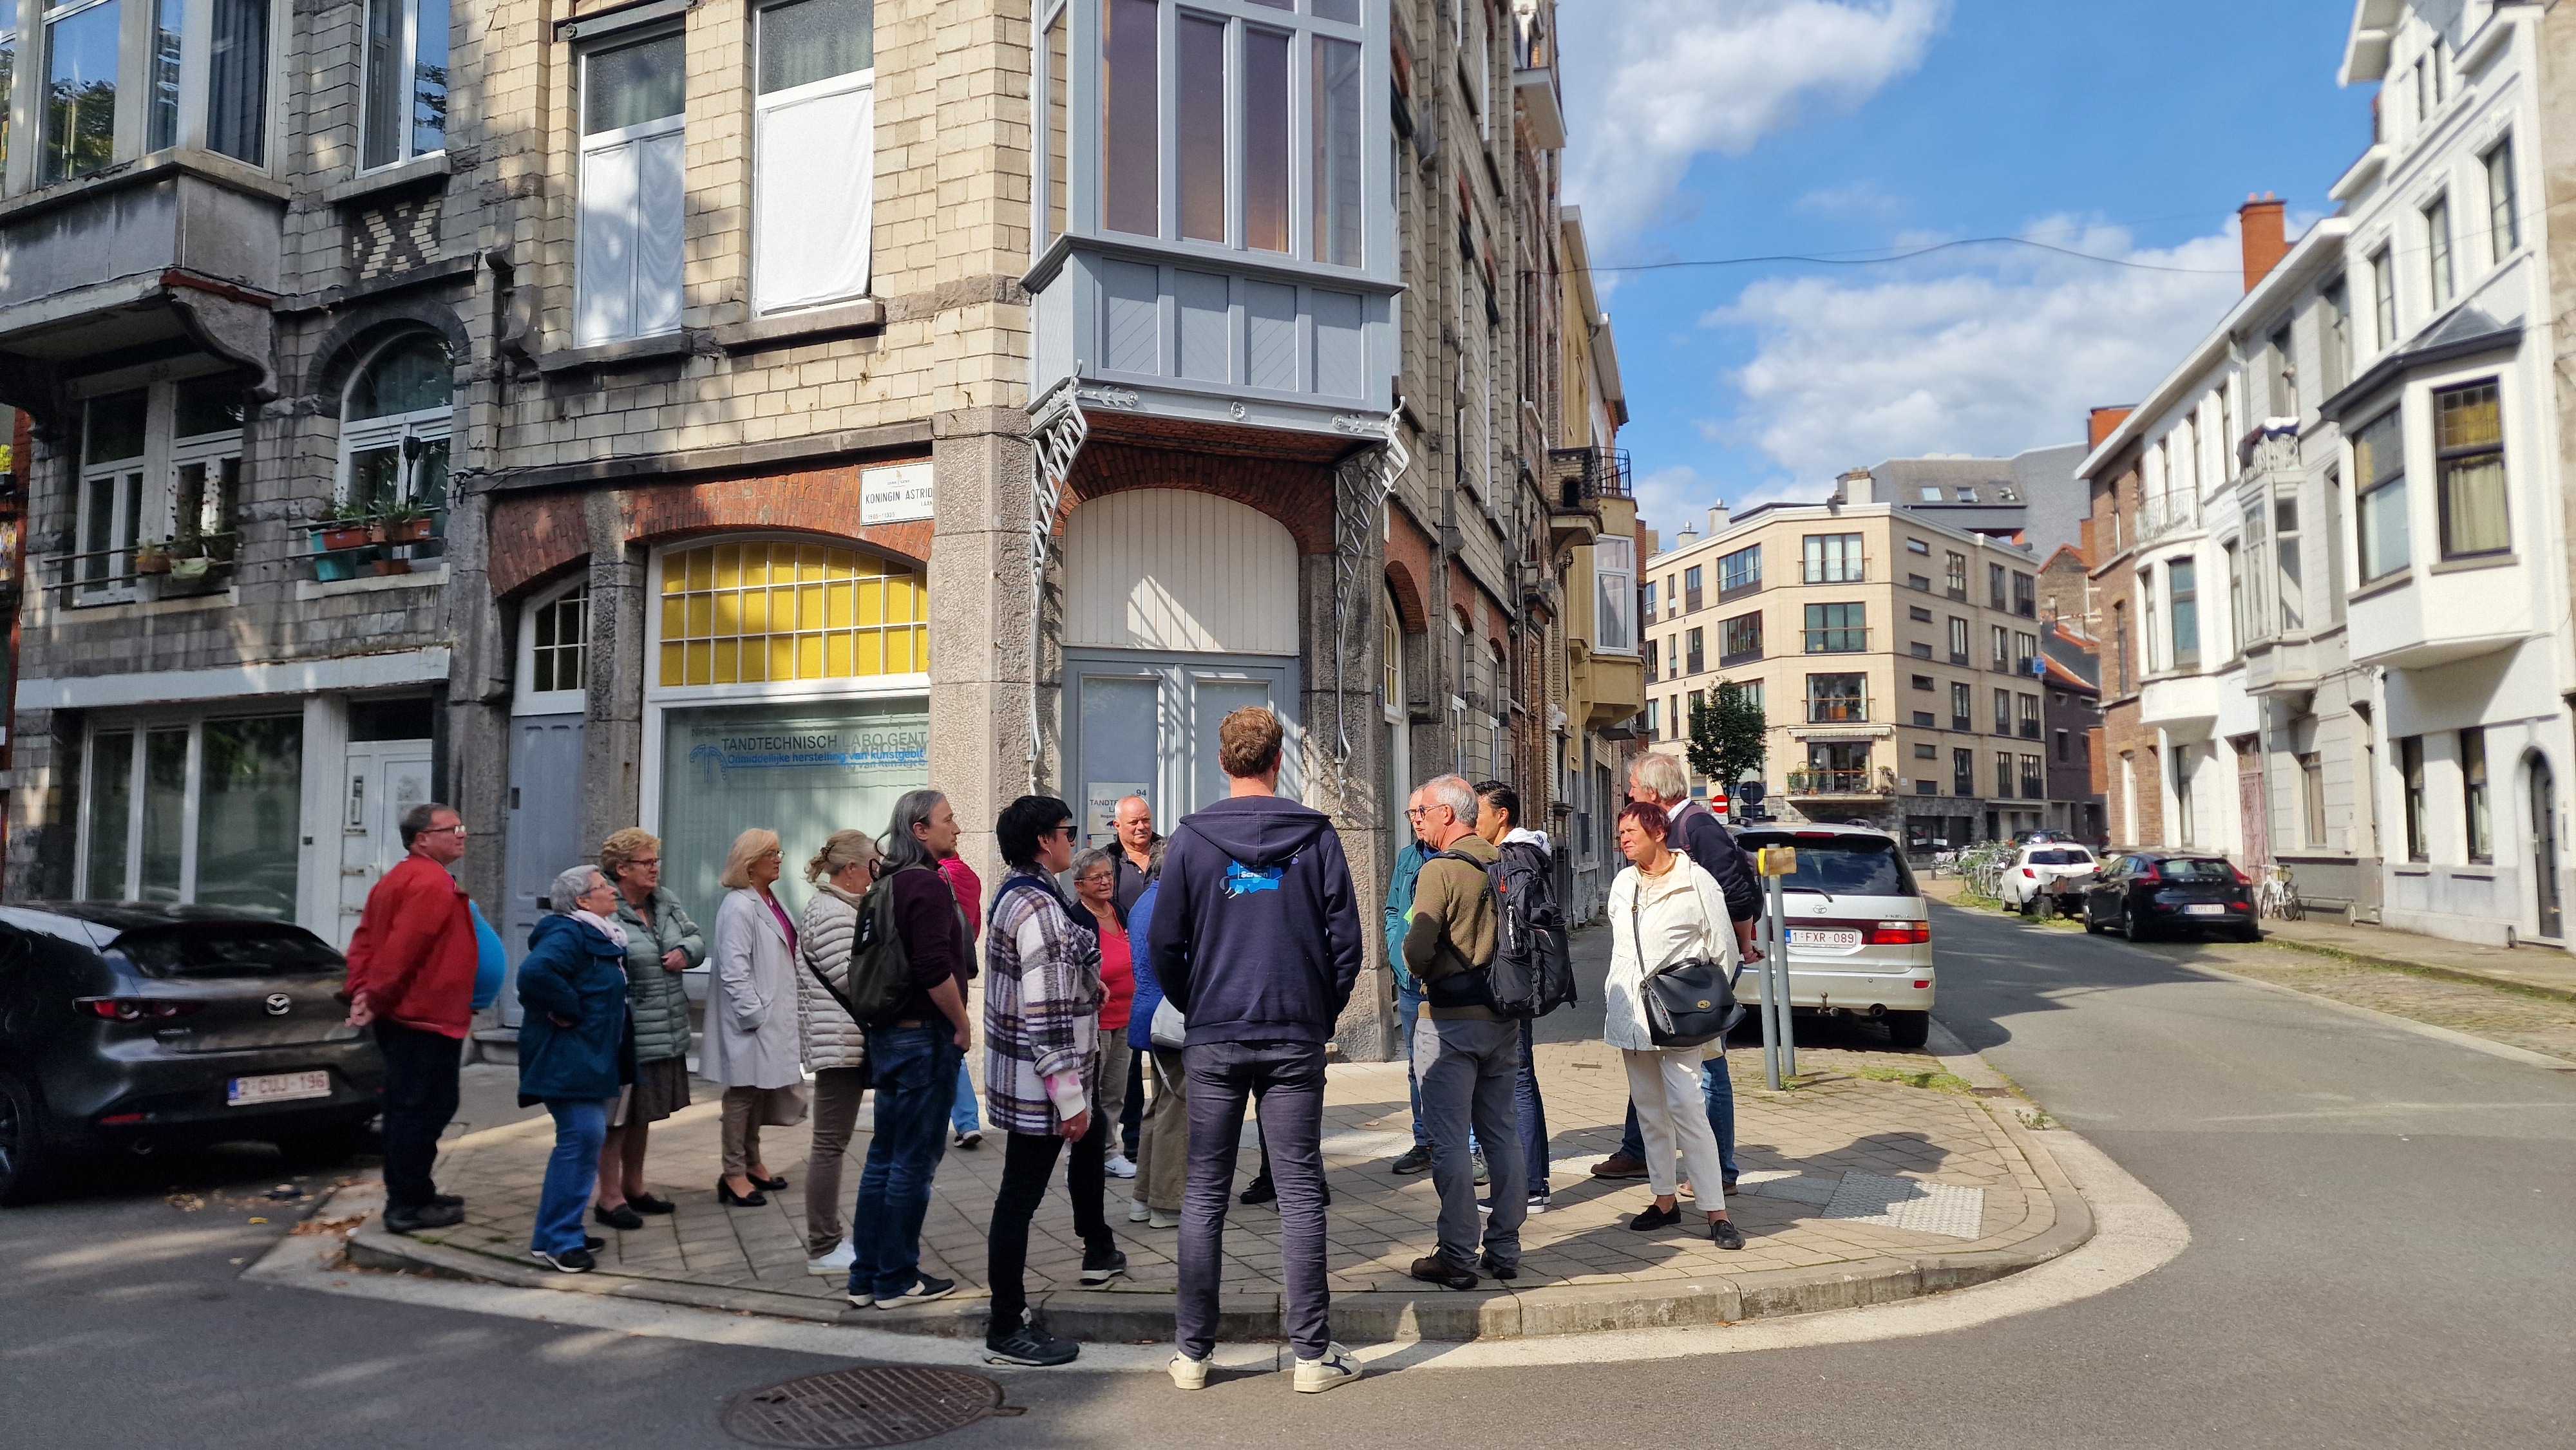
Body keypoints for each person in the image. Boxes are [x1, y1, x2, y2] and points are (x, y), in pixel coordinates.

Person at [1150, 706, 1364, 1395]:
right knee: (1300, 1191)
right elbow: (1347, 943)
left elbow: (1164, 944)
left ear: (1224, 761)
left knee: (1204, 1192)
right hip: (1294, 1033)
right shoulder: (1316, 835)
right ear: (1279, 761)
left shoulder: (1188, 840)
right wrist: (1317, 1008)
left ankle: (1192, 1355)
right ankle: (1311, 1356)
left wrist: (1197, 1003)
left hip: (1214, 1033)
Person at [981, 795, 1118, 1368]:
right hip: (1042, 1085)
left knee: (1051, 1172)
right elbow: (1046, 1010)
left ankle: (1099, 1248)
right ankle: (1007, 1325)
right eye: (1066, 831)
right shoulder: (1037, 907)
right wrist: (1069, 1096)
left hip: (1025, 1079)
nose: (1072, 838)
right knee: (1019, 1199)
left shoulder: (1021, 893)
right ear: (1044, 841)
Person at [1592, 752, 1752, 1191]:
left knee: (1703, 1079)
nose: (1628, 793)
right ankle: (1640, 1155)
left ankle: (1719, 1172)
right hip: (1650, 991)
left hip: (1691, 982)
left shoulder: (1696, 826)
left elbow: (1732, 892)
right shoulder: (1630, 876)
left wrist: (1724, 963)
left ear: (1656, 798)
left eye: (1634, 788)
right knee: (1651, 1080)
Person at [847, 789, 977, 1310]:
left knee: (884, 1156)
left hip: (889, 1033)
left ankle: (867, 1276)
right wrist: (962, 1022)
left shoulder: (886, 884)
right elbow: (932, 967)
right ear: (919, 830)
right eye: (948, 820)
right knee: (912, 1163)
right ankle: (897, 1277)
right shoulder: (924, 884)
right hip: (924, 1035)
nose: (957, 828)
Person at [1399, 775, 1524, 1291]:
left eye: (1423, 812)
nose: (1419, 821)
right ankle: (1506, 1248)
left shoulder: (1442, 869)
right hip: (1503, 1019)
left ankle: (1456, 1255)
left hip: (1448, 1021)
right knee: (1501, 1134)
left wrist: (1416, 960)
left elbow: (1418, 946)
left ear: (1448, 815)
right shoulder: (1507, 862)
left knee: (1448, 1142)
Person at [343, 801, 479, 1235]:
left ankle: (416, 1192)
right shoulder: (429, 883)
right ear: (422, 839)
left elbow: (364, 942)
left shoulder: (397, 880)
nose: (462, 833)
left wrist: (362, 992)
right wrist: (373, 996)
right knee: (421, 1110)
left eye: (462, 826)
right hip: (423, 1018)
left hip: (418, 1015)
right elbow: (402, 951)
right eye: (452, 828)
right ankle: (406, 1205)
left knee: (414, 1108)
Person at [514, 866, 633, 1273]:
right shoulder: (569, 932)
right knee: (583, 1138)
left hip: (587, 1056)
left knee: (584, 1139)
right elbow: (534, 973)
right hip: (567, 1056)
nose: (612, 890)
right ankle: (561, 1242)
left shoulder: (598, 933)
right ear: (582, 901)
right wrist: (570, 1008)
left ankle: (552, 1234)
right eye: (603, 887)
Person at [594, 829, 703, 1229]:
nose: (656, 867)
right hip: (627, 1030)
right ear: (621, 869)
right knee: (616, 1119)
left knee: (643, 1115)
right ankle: (609, 1198)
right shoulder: (605, 904)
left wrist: (684, 953)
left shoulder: (664, 900)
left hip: (664, 1025)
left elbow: (695, 939)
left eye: (656, 860)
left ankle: (634, 1188)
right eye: (647, 861)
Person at [796, 829, 880, 1277]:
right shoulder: (833, 913)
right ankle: (824, 1244)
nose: (876, 873)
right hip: (839, 1044)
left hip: (840, 1040)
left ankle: (826, 1239)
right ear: (851, 869)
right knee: (829, 1143)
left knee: (831, 1142)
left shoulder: (838, 908)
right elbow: (856, 982)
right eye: (872, 865)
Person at [705, 829, 802, 1207]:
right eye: (771, 853)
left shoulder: (770, 899)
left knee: (759, 1092)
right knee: (742, 1094)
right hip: (752, 1021)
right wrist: (754, 1015)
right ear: (750, 863)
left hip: (771, 1015)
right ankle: (732, 1174)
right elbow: (733, 969)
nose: (779, 859)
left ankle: (753, 1163)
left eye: (780, 851)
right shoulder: (739, 906)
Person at [1473, 779, 1555, 1214]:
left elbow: (1511, 932)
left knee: (1518, 1080)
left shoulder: (1513, 859)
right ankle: (1535, 1182)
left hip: (1511, 981)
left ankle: (1529, 1188)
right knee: (1524, 1078)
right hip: (1522, 979)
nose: (1473, 820)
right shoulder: (1529, 854)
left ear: (1502, 815)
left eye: (1479, 811)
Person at [1122, 843, 1184, 1229]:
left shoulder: (1145, 901)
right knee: (1177, 1110)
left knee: (1158, 1106)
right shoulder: (1172, 905)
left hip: (1150, 1015)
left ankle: (1144, 1197)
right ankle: (1166, 1201)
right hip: (1172, 1016)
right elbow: (1181, 960)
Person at [1070, 847, 1139, 1180]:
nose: (1105, 882)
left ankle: (1110, 1152)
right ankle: (1081, 1155)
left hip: (1125, 1014)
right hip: (1094, 1019)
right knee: (1091, 1091)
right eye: (1096, 878)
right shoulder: (1076, 917)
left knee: (1115, 1092)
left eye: (1108, 875)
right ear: (1079, 884)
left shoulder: (1119, 910)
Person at [936, 817, 987, 1152]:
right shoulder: (969, 875)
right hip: (959, 970)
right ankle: (967, 1122)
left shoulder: (936, 876)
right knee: (954, 1043)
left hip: (938, 971)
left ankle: (965, 1121)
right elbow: (975, 926)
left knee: (948, 1044)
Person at [1110, 795, 1161, 912]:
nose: (1141, 827)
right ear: (1117, 825)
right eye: (1134, 823)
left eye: (1146, 820)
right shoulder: (1106, 861)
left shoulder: (1170, 854)